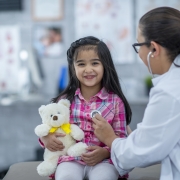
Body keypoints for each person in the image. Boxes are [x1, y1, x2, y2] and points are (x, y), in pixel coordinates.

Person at [92, 7, 180, 180]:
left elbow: (139, 153)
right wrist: (138, 140)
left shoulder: (169, 92)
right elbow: (163, 140)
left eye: (138, 45)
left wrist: (110, 138)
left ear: (154, 49)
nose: (139, 53)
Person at [40, 36, 132, 180]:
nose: (88, 70)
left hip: (104, 161)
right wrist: (46, 138)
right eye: (81, 64)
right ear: (73, 67)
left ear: (105, 65)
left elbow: (121, 137)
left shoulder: (115, 101)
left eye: (95, 63)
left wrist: (105, 152)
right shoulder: (64, 101)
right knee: (65, 177)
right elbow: (50, 128)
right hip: (71, 159)